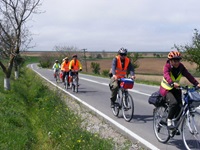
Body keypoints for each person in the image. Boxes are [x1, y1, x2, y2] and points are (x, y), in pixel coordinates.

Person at [159, 50, 200, 129]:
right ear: (170, 61)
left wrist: (196, 83)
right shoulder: (167, 66)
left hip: (176, 88)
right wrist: (171, 83)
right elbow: (166, 75)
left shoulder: (181, 67)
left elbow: (188, 75)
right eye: (174, 60)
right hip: (166, 89)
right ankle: (169, 120)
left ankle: (173, 127)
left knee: (180, 107)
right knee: (173, 103)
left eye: (178, 60)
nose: (177, 62)